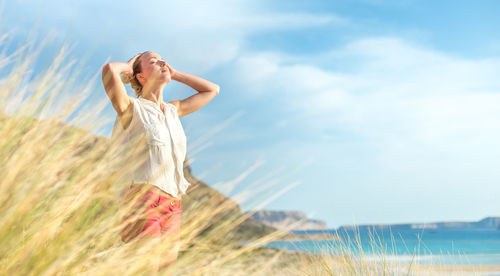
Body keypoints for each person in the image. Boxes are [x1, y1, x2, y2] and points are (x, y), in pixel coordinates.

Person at [101, 51, 219, 273]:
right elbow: (109, 71)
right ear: (141, 77)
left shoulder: (174, 110)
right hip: (143, 203)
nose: (162, 62)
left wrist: (175, 74)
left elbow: (212, 90)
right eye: (153, 62)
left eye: (163, 59)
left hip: (173, 206)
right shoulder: (131, 108)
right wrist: (128, 66)